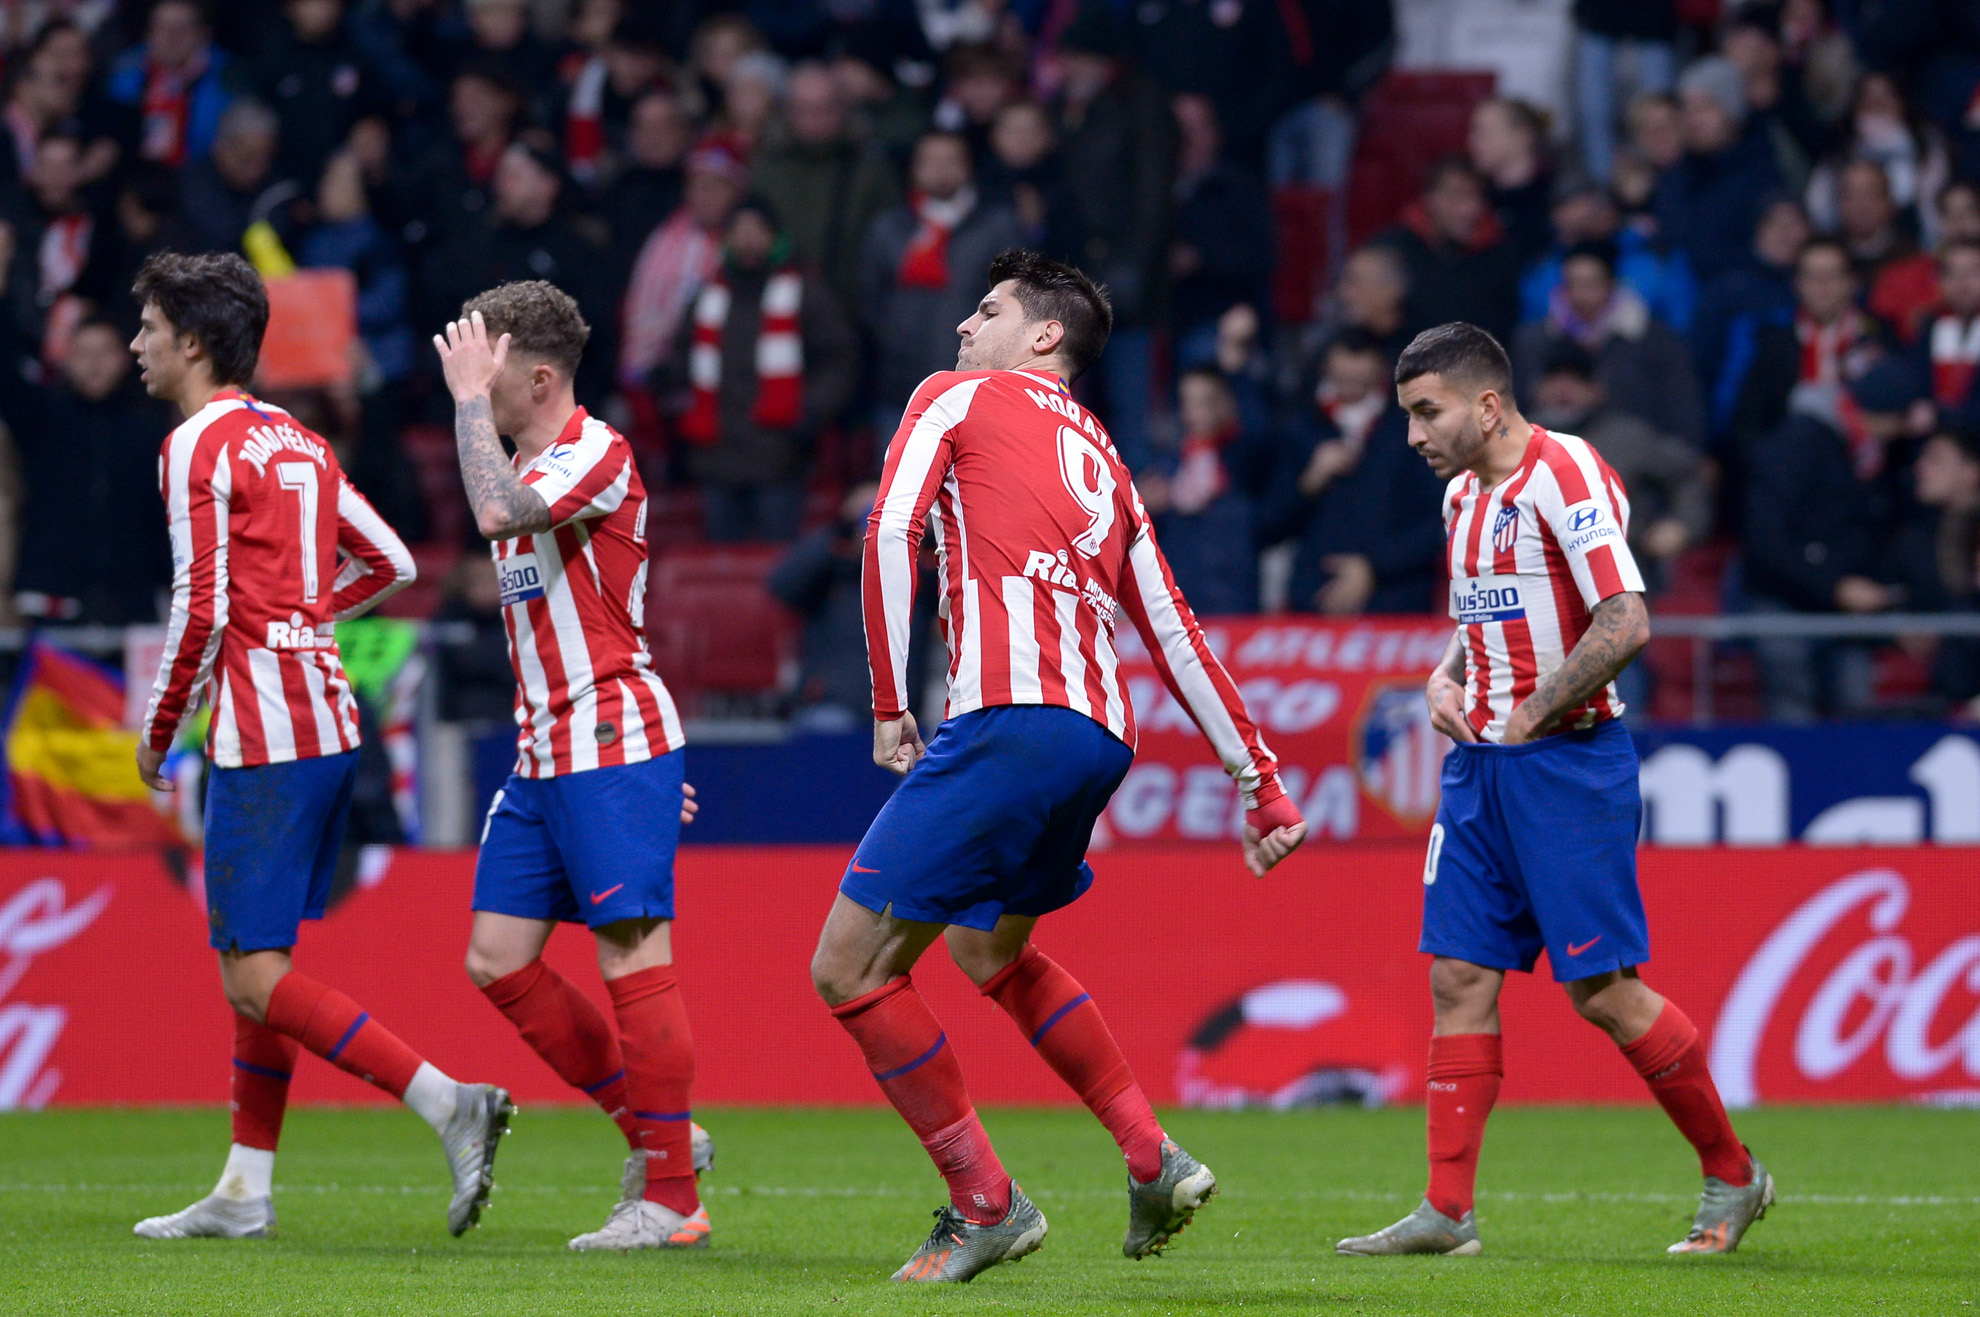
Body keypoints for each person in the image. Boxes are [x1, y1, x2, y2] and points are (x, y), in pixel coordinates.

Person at [810, 250, 1307, 1283]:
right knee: (989, 955)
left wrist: (890, 701)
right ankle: (1150, 1154)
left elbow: (891, 529)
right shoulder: (1109, 459)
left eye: (985, 310)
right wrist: (1257, 776)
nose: (961, 327)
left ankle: (984, 1203)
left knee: (849, 968)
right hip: (1095, 737)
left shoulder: (956, 397)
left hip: (1007, 717)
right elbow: (1168, 625)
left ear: (1044, 336)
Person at [1336, 322, 1773, 1259]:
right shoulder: (1461, 495)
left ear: (1486, 405)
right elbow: (1478, 619)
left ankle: (1734, 1173)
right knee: (1457, 976)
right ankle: (1448, 1212)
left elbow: (1627, 618)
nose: (1413, 433)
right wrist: (1444, 678)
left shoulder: (1565, 472)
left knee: (1603, 992)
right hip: (1479, 772)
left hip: (1567, 764)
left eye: (1427, 411)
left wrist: (1530, 714)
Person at [126, 252, 510, 1242]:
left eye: (150, 328)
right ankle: (246, 1189)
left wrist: (160, 726)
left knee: (251, 978)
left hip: (262, 736)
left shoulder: (195, 447)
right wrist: (300, 619)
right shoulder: (296, 438)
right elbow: (384, 559)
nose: (136, 345)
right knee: (264, 968)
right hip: (332, 722)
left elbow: (202, 607)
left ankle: (445, 1100)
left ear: (194, 343)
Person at [433, 282, 711, 1251]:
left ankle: (673, 1197)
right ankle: (659, 1131)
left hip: (607, 736)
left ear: (540, 376)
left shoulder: (593, 451)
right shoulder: (526, 458)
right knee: (496, 960)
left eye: (491, 372)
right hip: (546, 749)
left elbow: (500, 514)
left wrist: (469, 402)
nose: (470, 388)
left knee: (632, 953)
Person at [665, 196, 859, 542]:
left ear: (775, 237)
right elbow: (680, 360)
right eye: (739, 231)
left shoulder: (805, 292)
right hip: (716, 457)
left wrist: (809, 413)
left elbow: (838, 359)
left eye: (757, 230)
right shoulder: (705, 295)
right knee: (722, 573)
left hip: (780, 457)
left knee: (777, 565)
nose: (748, 239)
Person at [1264, 329, 1446, 615]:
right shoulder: (1298, 430)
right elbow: (1268, 525)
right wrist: (1308, 483)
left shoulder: (1413, 431)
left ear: (1381, 369)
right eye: (1342, 372)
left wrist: (1372, 568)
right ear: (1326, 367)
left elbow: (1438, 522)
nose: (1350, 377)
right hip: (1314, 608)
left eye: (1359, 369)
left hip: (1397, 609)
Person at [856, 129, 1021, 427]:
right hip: (901, 387)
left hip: (977, 385)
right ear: (914, 169)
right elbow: (869, 301)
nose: (940, 171)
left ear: (968, 167)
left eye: (951, 161)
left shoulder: (997, 227)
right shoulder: (889, 229)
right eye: (931, 162)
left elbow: (1016, 302)